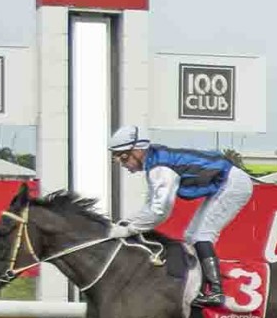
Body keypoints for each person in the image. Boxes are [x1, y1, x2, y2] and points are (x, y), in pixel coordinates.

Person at [107, 125, 254, 307]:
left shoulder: (160, 168)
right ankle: (203, 287)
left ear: (138, 150)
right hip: (225, 182)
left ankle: (216, 291)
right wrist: (129, 223)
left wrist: (128, 229)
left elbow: (160, 211)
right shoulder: (154, 163)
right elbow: (150, 206)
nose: (123, 164)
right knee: (191, 236)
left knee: (202, 235)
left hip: (232, 183)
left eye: (123, 157)